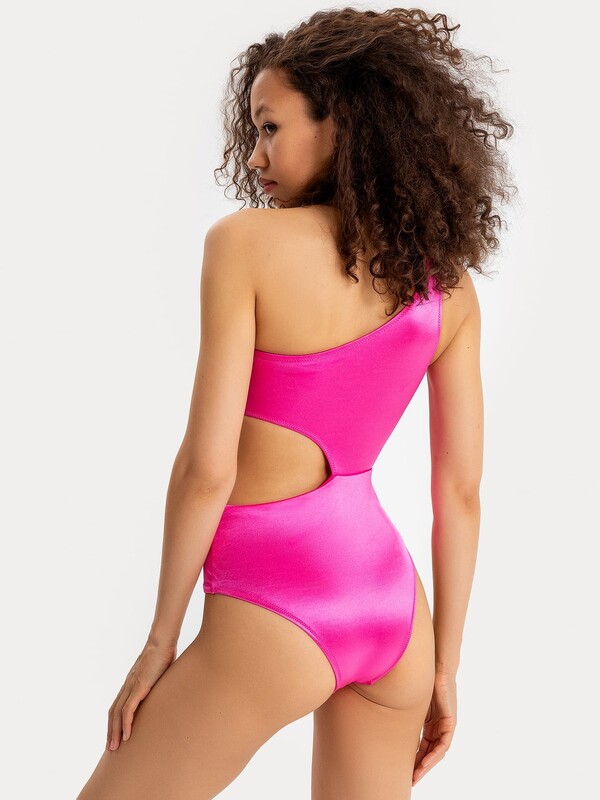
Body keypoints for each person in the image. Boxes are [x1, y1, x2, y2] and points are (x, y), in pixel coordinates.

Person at [77, 7, 515, 799]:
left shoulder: (245, 245)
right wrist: (444, 666)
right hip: (394, 612)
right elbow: (460, 492)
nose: (255, 155)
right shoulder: (448, 287)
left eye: (270, 127)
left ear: (339, 123)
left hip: (275, 602)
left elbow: (208, 470)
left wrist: (160, 641)